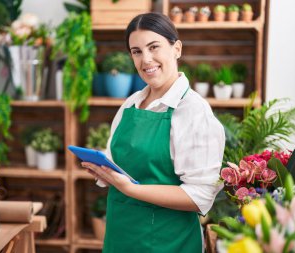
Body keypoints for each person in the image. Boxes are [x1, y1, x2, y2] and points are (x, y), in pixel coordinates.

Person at [82, 12, 225, 253]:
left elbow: (199, 196)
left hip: (168, 243)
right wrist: (103, 169)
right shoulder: (131, 104)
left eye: (154, 47)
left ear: (176, 48)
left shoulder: (193, 110)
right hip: (120, 238)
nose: (146, 59)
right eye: (136, 51)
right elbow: (116, 162)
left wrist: (131, 189)